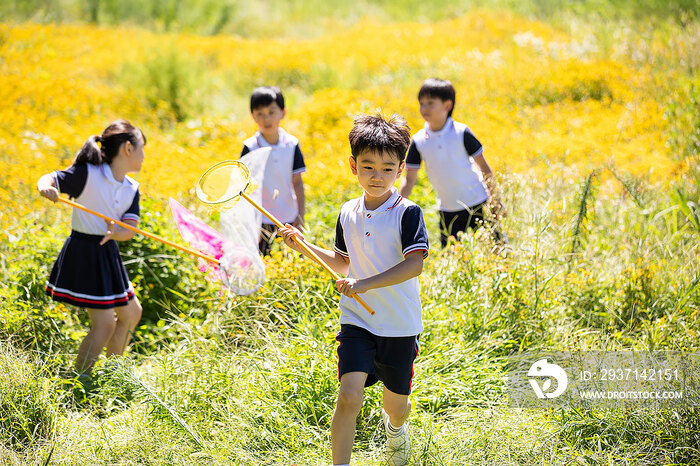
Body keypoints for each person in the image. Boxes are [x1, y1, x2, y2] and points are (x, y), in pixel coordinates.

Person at [280, 114, 428, 466]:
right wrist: (302, 246)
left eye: (388, 169)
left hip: (398, 325)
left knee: (397, 409)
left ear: (401, 168)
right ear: (352, 166)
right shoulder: (347, 212)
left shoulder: (408, 213)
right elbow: (342, 262)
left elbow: (414, 265)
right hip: (357, 320)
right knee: (348, 396)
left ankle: (395, 430)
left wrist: (364, 283)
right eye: (368, 167)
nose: (377, 176)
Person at [37, 120, 146, 376]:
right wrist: (46, 187)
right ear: (128, 149)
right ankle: (79, 379)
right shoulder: (89, 173)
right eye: (142, 148)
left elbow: (129, 229)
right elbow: (51, 177)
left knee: (131, 313)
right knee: (105, 324)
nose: (144, 155)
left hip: (107, 253)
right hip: (84, 251)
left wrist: (116, 232)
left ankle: (113, 374)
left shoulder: (132, 188)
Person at [399, 78, 506, 248]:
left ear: (447, 106)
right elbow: (409, 179)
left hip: (478, 203)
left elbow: (484, 168)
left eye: (430, 103)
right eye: (422, 103)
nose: (424, 108)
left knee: (495, 251)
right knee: (453, 258)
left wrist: (496, 200)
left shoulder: (461, 132)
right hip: (447, 211)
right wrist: (395, 206)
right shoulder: (418, 141)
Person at [240, 86, 306, 256]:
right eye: (260, 114)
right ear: (253, 116)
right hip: (260, 218)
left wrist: (300, 216)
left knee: (290, 261)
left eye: (271, 112)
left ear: (283, 112)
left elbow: (297, 182)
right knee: (264, 262)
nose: (266, 118)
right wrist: (248, 223)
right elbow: (242, 189)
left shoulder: (291, 144)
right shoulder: (250, 147)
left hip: (289, 215)